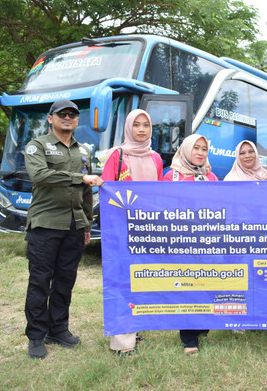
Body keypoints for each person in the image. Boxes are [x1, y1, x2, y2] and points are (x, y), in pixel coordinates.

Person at [23, 99, 103, 359]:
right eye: (62, 114)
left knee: (65, 281)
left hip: (74, 225)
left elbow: (87, 190)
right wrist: (79, 177)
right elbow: (40, 176)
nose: (67, 117)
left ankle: (58, 329)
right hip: (45, 223)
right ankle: (36, 336)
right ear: (50, 118)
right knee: (39, 281)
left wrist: (87, 224)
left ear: (78, 120)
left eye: (73, 114)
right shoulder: (38, 146)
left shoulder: (84, 151)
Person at [101, 109, 163, 356]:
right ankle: (122, 343)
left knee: (141, 280)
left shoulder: (156, 158)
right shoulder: (116, 155)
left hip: (147, 230)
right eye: (136, 125)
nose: (141, 129)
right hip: (121, 229)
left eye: (145, 125)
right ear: (128, 127)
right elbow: (106, 192)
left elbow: (158, 195)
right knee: (121, 282)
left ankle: (135, 331)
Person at [163, 134, 217, 355]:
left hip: (207, 242)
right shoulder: (171, 176)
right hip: (182, 243)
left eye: (204, 149)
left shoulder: (211, 176)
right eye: (196, 148)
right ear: (185, 149)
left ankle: (202, 325)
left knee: (206, 283)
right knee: (187, 286)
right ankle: (189, 338)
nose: (200, 153)